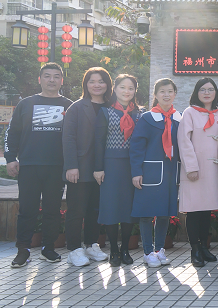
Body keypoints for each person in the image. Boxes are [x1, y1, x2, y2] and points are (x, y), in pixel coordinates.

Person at [5, 62, 73, 268]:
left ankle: (48, 248)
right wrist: (10, 158)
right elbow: (12, 133)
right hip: (29, 166)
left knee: (53, 210)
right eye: (47, 76)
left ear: (61, 80)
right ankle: (23, 250)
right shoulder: (26, 104)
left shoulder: (70, 106)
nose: (51, 80)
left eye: (56, 76)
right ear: (39, 79)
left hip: (56, 167)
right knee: (27, 210)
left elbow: (75, 138)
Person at [63, 67, 113, 267]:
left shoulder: (111, 106)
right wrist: (71, 166)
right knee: (76, 210)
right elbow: (68, 137)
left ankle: (92, 245)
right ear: (86, 84)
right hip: (81, 167)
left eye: (101, 81)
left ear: (107, 84)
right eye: (92, 81)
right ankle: (74, 249)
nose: (97, 85)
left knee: (95, 209)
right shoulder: (76, 107)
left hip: (104, 168)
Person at [130, 78, 181, 268]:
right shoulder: (147, 118)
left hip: (170, 172)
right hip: (149, 172)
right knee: (146, 213)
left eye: (170, 91)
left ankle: (159, 249)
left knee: (164, 212)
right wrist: (136, 172)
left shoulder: (179, 118)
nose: (166, 95)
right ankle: (147, 252)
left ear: (175, 94)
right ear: (156, 95)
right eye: (162, 91)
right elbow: (137, 146)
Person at [93, 74, 142, 267]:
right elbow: (98, 142)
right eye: (122, 87)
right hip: (110, 166)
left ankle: (125, 250)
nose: (126, 91)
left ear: (135, 91)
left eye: (130, 88)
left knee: (128, 209)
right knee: (111, 208)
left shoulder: (139, 114)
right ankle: (113, 250)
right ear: (115, 89)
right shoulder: (105, 112)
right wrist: (98, 168)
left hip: (132, 166)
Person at [178, 77, 218, 267]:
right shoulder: (189, 112)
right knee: (194, 210)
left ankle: (205, 247)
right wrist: (191, 167)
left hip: (213, 169)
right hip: (195, 169)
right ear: (196, 93)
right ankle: (195, 249)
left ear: (216, 93)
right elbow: (184, 141)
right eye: (203, 89)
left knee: (206, 210)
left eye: (210, 89)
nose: (207, 93)